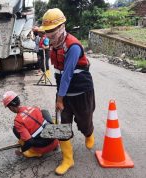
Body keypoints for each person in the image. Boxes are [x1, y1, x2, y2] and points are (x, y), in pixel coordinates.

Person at [39, 8, 95, 175]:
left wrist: (59, 98)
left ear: (62, 27)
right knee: (61, 126)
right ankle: (68, 159)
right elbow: (60, 75)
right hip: (63, 93)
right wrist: (60, 97)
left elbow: (68, 74)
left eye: (52, 30)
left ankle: (88, 133)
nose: (49, 35)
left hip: (81, 91)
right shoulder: (55, 45)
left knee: (84, 121)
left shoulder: (73, 46)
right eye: (46, 31)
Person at [2, 91, 59, 158]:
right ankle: (55, 146)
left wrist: (21, 150)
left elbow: (29, 142)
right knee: (44, 112)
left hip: (41, 149)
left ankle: (37, 153)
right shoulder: (34, 108)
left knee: (15, 129)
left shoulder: (18, 121)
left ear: (11, 107)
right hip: (55, 141)